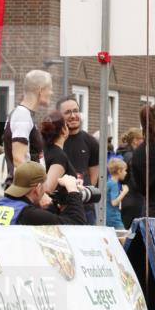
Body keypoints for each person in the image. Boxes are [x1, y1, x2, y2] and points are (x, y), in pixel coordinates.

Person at [0, 161, 86, 226]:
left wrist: (53, 206)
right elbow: (75, 225)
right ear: (38, 188)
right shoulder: (28, 214)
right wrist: (73, 190)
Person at [3, 70, 53, 183]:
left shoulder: (25, 115)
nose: (51, 92)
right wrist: (36, 188)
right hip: (25, 191)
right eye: (50, 88)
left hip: (28, 191)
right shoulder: (22, 115)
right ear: (40, 90)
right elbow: (18, 159)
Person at [57, 96, 100, 224]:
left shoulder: (91, 142)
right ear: (59, 116)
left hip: (85, 208)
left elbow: (93, 178)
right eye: (67, 112)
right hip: (59, 207)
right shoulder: (54, 142)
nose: (73, 115)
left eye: (75, 111)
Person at [40, 110, 78, 193]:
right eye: (66, 125)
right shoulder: (59, 156)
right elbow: (48, 189)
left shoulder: (42, 150)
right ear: (63, 130)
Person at [116, 127, 146, 227]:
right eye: (143, 139)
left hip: (125, 198)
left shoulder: (122, 153)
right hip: (133, 199)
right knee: (131, 232)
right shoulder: (132, 156)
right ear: (135, 140)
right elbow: (135, 178)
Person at [106, 157, 129, 229]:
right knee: (125, 238)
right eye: (125, 171)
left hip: (107, 217)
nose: (126, 173)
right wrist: (124, 192)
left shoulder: (108, 182)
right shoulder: (114, 184)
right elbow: (114, 203)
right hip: (114, 219)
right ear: (119, 171)